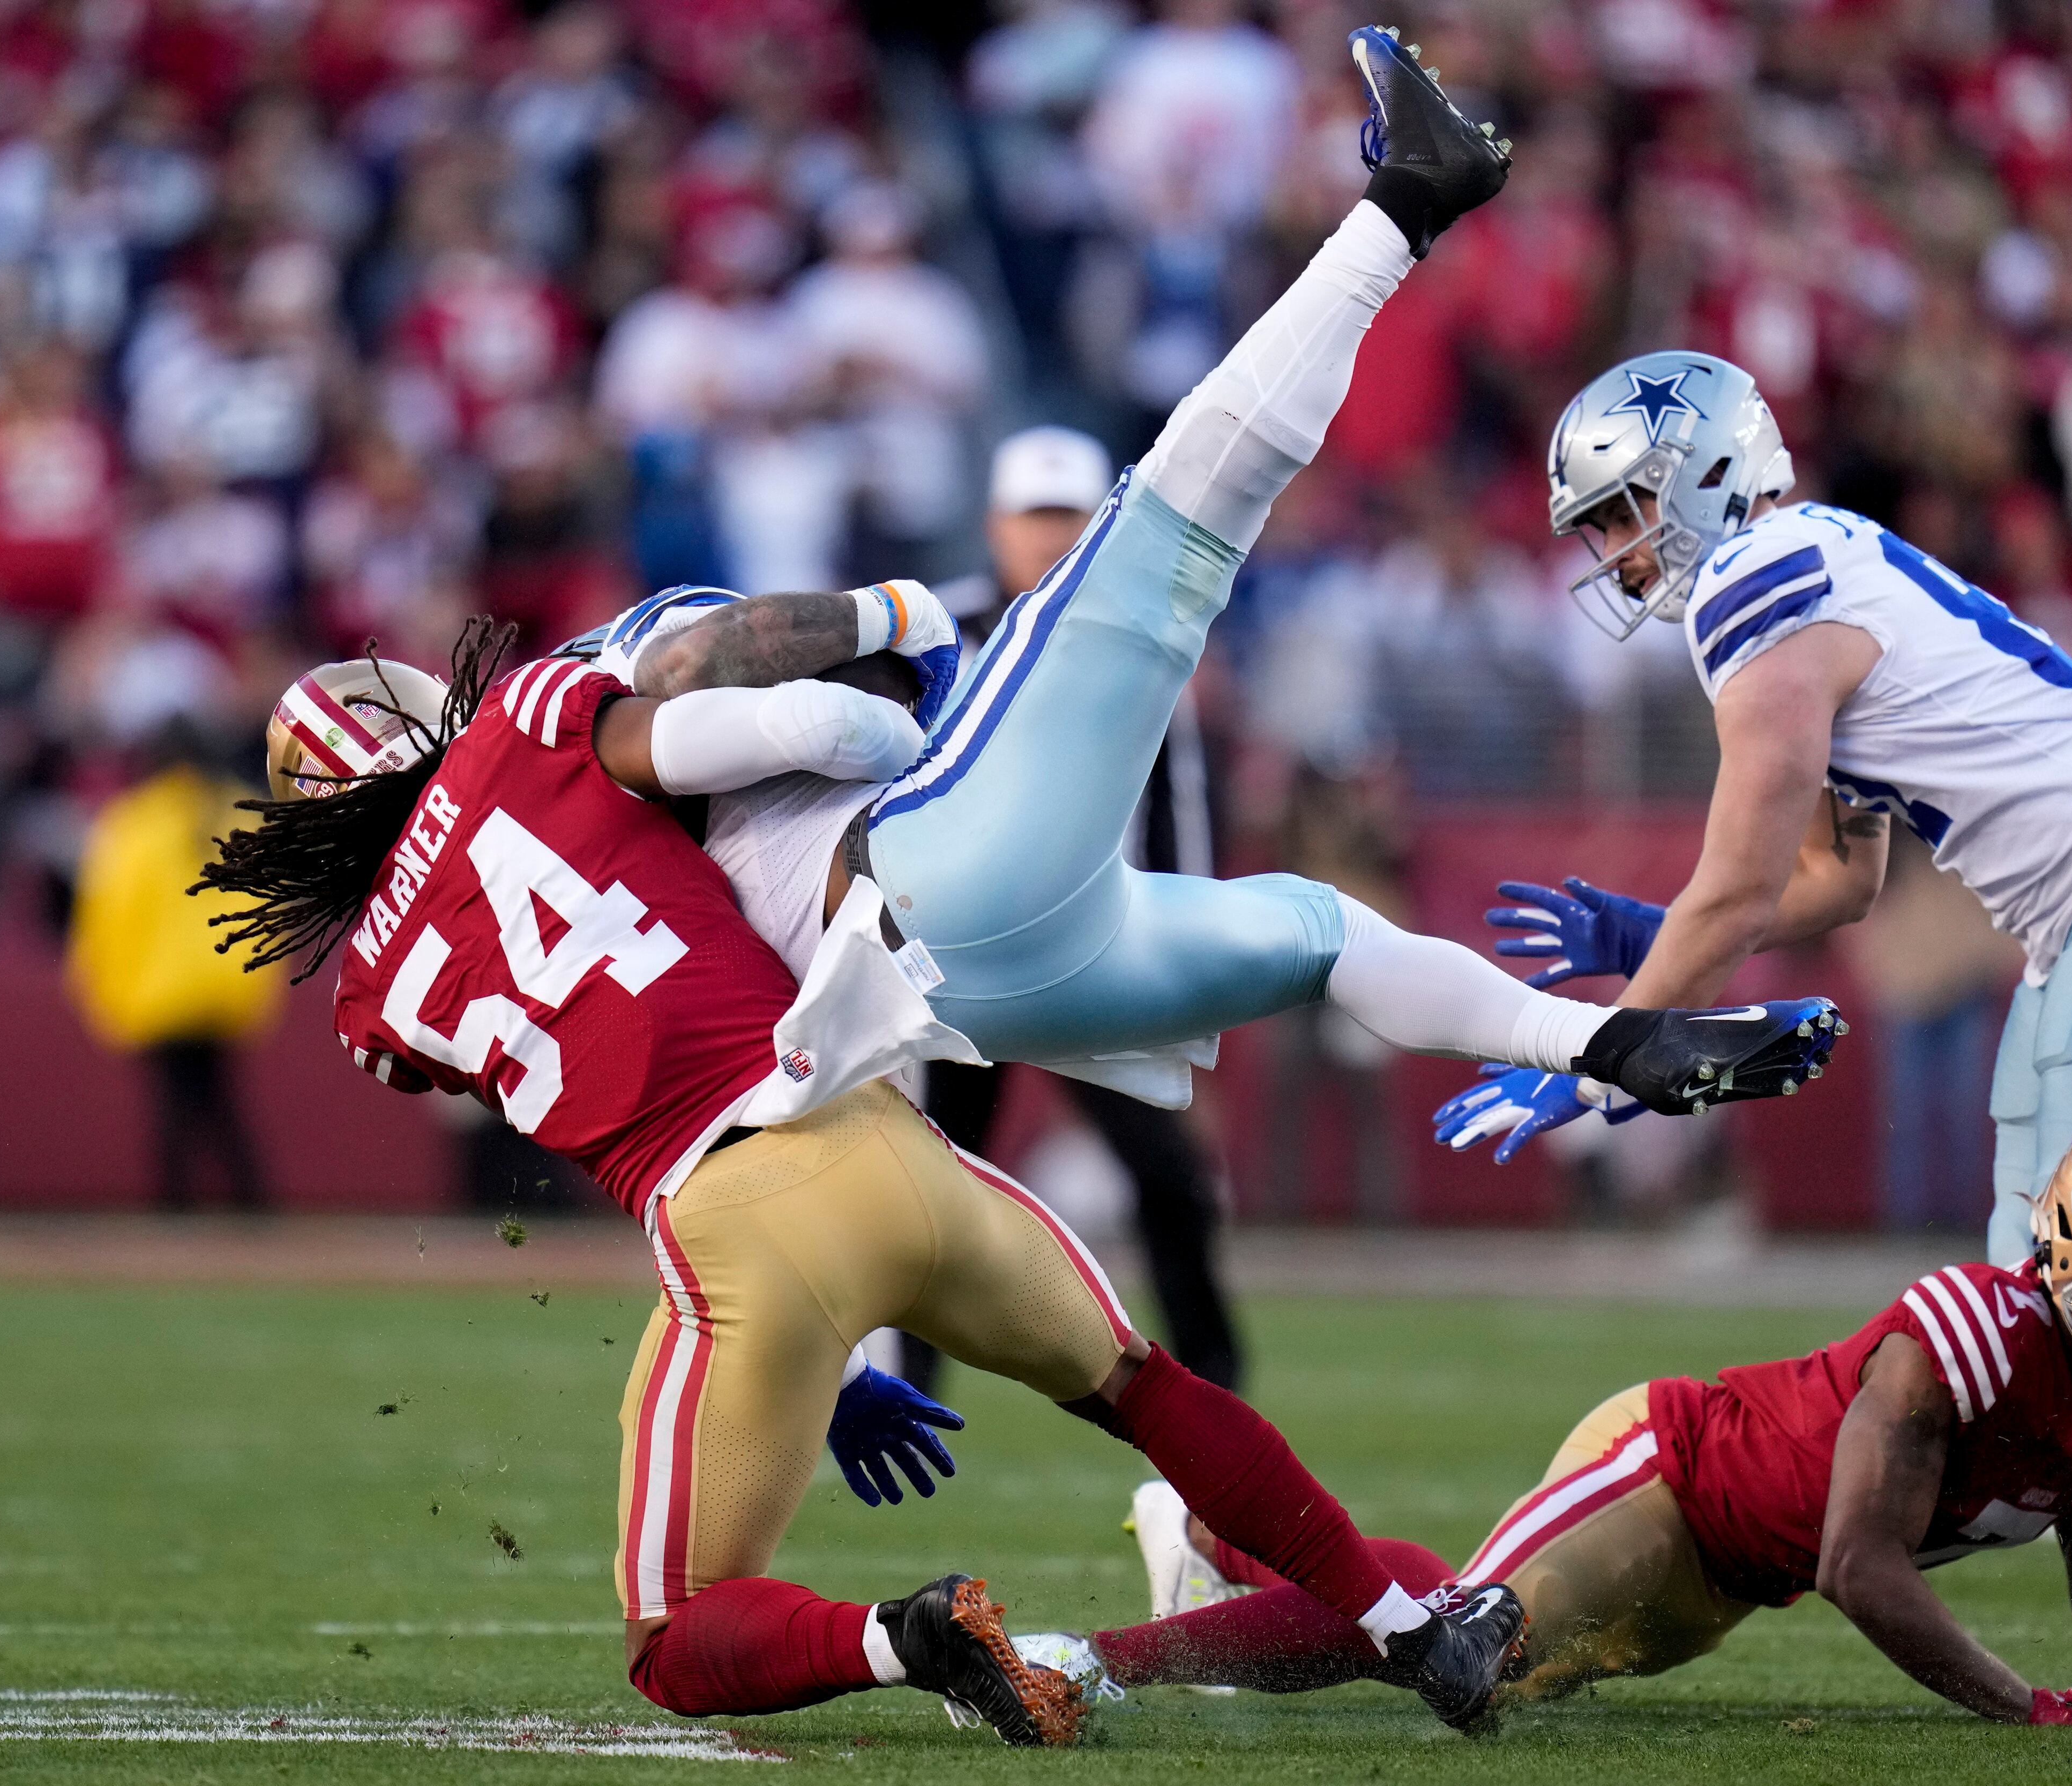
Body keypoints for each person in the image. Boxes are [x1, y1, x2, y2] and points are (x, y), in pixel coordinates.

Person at [191, 33, 1630, 1747]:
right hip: (882, 1127)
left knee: (675, 1633)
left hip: (730, 1224)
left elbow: (461, 1031)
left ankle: (901, 1631)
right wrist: (899, 695)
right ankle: (1410, 1616)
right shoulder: (525, 715)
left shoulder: (368, 1000)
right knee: (1149, 1386)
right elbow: (770, 717)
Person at [561, 33, 1843, 1127]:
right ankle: (1408, 204)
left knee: (1320, 933)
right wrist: (893, 616)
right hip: (940, 886)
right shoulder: (587, 715)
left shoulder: (540, 869)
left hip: (954, 996)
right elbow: (778, 705)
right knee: (1175, 515)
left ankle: (1606, 1047)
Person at [1437, 349, 2072, 1667]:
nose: (1617, 553)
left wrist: (1588, 1060)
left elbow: (1743, 889)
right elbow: (1835, 877)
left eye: (1627, 510)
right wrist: (1651, 935)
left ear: (1705, 471)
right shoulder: (1800, 563)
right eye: (1600, 527)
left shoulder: (1756, 579)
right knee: (2057, 1296)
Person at [1024, 1106, 2072, 1731]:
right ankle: (1090, 1661)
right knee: (1450, 1653)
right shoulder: (1966, 1338)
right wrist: (2031, 1709)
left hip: (1725, 1583)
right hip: (1668, 1471)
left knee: (1474, 1667)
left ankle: (1207, 1540)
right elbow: (1859, 1567)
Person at [910, 424, 1245, 1394]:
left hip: (1092, 958)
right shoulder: (928, 633)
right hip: (951, 963)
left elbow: (1179, 827)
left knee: (1172, 1179)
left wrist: (1196, 996)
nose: (1052, 537)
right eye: (1035, 515)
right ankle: (909, 1386)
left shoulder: (1144, 641)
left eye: (1071, 515)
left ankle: (1215, 1391)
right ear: (995, 524)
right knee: (925, 1191)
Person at [65, 722, 280, 1211]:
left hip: (158, 993)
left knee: (177, 1104)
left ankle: (178, 1209)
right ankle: (253, 1206)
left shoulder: (133, 822)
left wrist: (99, 987)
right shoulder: (241, 809)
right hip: (227, 989)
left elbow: (106, 911)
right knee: (215, 1099)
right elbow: (276, 904)